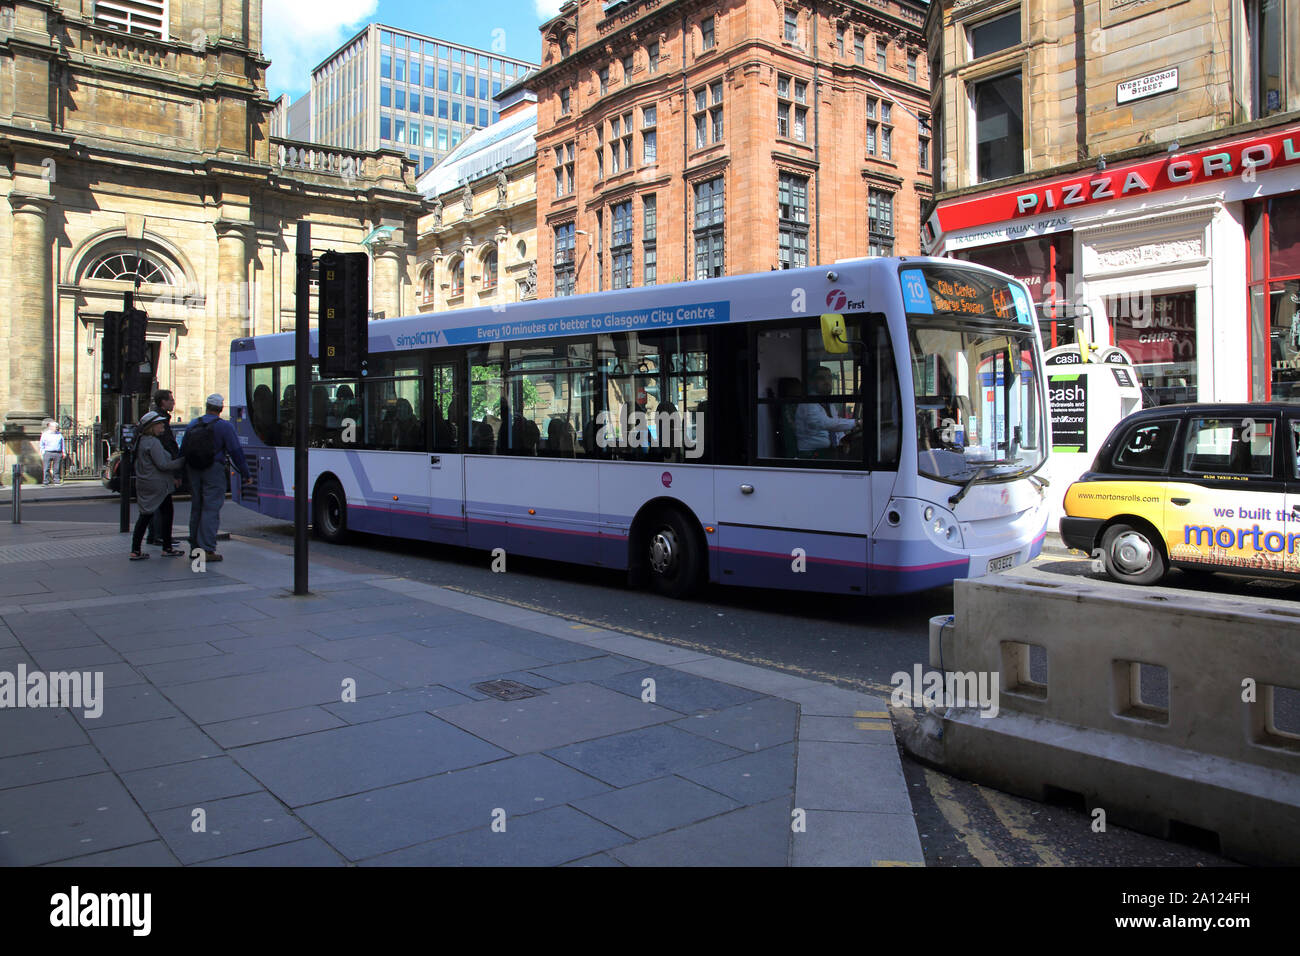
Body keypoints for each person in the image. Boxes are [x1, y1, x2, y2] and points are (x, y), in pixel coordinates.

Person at [183, 394, 250, 563]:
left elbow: (183, 450)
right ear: (221, 409)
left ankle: (195, 548)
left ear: (206, 406)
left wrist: (178, 474)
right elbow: (236, 452)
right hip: (213, 469)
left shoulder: (192, 424)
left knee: (196, 508)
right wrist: (246, 473)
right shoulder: (224, 427)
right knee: (210, 509)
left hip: (193, 469)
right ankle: (206, 549)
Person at [129, 411, 187, 560]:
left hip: (146, 482)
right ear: (152, 426)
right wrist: (183, 461)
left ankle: (136, 550)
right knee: (160, 514)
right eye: (159, 423)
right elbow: (163, 464)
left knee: (147, 514)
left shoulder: (141, 440)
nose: (163, 425)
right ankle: (165, 548)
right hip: (157, 485)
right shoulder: (152, 442)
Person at [146, 390, 182, 548]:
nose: (173, 403)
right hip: (161, 472)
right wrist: (176, 470)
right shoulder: (159, 421)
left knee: (160, 505)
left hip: (159, 471)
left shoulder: (159, 418)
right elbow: (167, 447)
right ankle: (160, 536)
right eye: (171, 400)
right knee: (163, 506)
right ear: (163, 402)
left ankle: (157, 535)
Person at [795, 366, 855, 458]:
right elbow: (825, 423)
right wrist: (855, 422)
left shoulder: (828, 404)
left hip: (829, 452)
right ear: (812, 382)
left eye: (829, 378)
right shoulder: (807, 403)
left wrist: (843, 439)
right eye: (821, 378)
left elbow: (835, 425)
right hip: (811, 455)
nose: (827, 382)